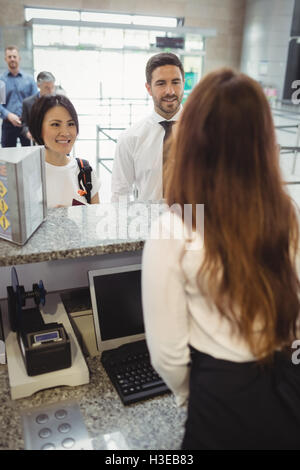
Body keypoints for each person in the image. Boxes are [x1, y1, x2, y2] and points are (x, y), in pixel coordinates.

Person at [142, 68, 300, 449]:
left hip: (220, 397)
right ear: (263, 140)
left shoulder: (175, 228)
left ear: (193, 140)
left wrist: (192, 398)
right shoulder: (286, 213)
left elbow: (168, 355)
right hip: (286, 388)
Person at [111, 52, 185, 202]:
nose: (170, 91)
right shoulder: (130, 138)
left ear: (183, 83)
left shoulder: (205, 134)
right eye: (161, 83)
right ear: (149, 88)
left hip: (195, 221)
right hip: (147, 222)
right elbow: (120, 194)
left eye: (176, 82)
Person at [29, 94, 100, 208]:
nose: (65, 132)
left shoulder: (85, 171)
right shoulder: (26, 174)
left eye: (71, 124)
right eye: (55, 124)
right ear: (38, 128)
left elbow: (95, 221)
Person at [0, 45, 38, 147]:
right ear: (5, 59)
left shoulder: (29, 80)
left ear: (19, 58)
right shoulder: (1, 81)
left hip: (26, 125)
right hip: (8, 124)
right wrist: (9, 115)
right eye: (9, 57)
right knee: (7, 157)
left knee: (29, 155)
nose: (12, 59)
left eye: (14, 56)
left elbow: (35, 102)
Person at [21, 71, 56, 142]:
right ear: (38, 85)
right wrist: (27, 132)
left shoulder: (58, 102)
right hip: (35, 141)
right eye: (47, 88)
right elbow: (24, 125)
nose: (51, 91)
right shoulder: (27, 103)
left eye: (52, 87)